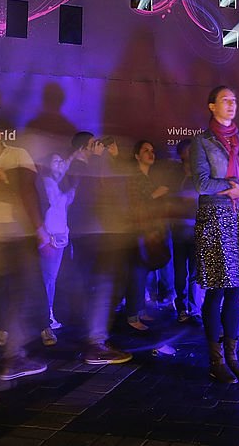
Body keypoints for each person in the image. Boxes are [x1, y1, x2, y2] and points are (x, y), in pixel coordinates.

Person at [191, 86, 239, 383]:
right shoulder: (202, 142)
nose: (231, 104)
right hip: (214, 219)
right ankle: (215, 359)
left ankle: (233, 356)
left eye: (234, 100)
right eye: (225, 100)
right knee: (217, 289)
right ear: (211, 106)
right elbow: (201, 183)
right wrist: (235, 185)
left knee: (236, 290)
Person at [0, 118, 48, 380]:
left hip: (19, 232)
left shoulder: (18, 155)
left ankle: (30, 335)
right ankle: (7, 338)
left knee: (23, 286)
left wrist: (5, 178)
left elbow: (29, 191)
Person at [65, 131, 133, 364]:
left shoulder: (98, 165)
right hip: (93, 233)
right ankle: (95, 343)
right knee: (100, 285)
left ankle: (95, 339)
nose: (100, 148)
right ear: (84, 148)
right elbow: (83, 192)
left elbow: (118, 190)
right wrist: (97, 159)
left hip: (101, 232)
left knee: (102, 285)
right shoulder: (79, 165)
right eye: (95, 144)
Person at [126, 140, 170, 331]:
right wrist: (155, 194)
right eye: (145, 150)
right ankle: (132, 316)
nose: (150, 153)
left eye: (152, 150)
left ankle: (140, 310)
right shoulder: (134, 178)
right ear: (136, 156)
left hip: (151, 230)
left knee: (143, 272)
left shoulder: (148, 177)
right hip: (138, 231)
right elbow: (135, 204)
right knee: (136, 272)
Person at [37, 152, 75, 344]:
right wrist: (47, 237)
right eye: (56, 161)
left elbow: (63, 210)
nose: (60, 164)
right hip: (49, 237)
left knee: (51, 278)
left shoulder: (60, 183)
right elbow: (49, 208)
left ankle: (47, 315)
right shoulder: (45, 182)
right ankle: (46, 317)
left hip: (59, 236)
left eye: (62, 160)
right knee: (47, 279)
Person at [170, 139, 202, 324]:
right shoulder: (175, 174)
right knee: (180, 272)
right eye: (188, 152)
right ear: (181, 154)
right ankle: (182, 308)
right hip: (179, 230)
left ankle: (195, 309)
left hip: (197, 229)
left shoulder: (201, 174)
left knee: (196, 273)